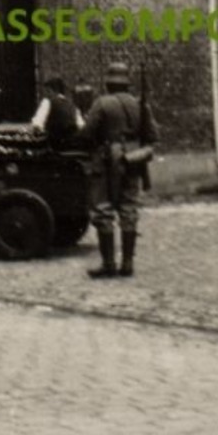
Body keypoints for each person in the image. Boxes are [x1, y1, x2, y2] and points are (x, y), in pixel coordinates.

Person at [81, 60, 157, 280]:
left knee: (103, 210)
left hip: (106, 162)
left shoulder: (102, 104)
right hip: (132, 161)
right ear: (127, 84)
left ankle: (108, 264)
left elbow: (87, 134)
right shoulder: (141, 105)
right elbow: (152, 138)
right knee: (129, 209)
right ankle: (128, 263)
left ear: (108, 84)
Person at [30, 76, 82, 147]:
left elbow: (37, 125)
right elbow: (81, 126)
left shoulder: (47, 102)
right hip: (71, 146)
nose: (46, 95)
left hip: (53, 147)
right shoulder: (73, 106)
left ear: (54, 90)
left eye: (48, 91)